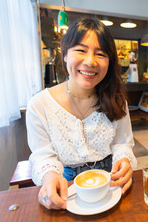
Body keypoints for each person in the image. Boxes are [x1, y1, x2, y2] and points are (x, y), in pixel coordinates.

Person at [26, 17, 137, 210]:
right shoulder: (39, 105)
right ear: (66, 54)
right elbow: (43, 155)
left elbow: (122, 143)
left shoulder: (116, 100)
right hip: (65, 181)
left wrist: (124, 160)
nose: (90, 61)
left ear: (109, 62)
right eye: (81, 50)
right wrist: (50, 177)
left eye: (100, 54)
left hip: (110, 179)